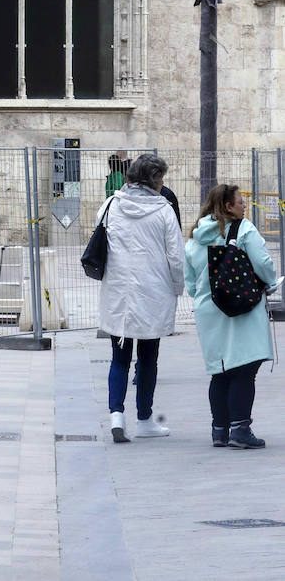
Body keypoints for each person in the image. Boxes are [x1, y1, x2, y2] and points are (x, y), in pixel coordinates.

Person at [96, 153, 184, 443]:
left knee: (118, 357)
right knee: (148, 359)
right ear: (155, 180)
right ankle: (144, 419)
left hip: (119, 293)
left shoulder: (111, 206)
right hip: (152, 294)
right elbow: (175, 257)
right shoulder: (164, 211)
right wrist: (177, 287)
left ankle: (116, 417)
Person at [184, 183, 277, 449]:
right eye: (240, 202)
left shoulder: (195, 237)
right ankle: (240, 429)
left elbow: (190, 282)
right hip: (242, 308)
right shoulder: (244, 229)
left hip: (208, 310)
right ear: (227, 206)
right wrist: (269, 282)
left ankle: (219, 430)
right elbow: (264, 264)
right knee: (245, 368)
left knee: (220, 370)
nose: (244, 206)